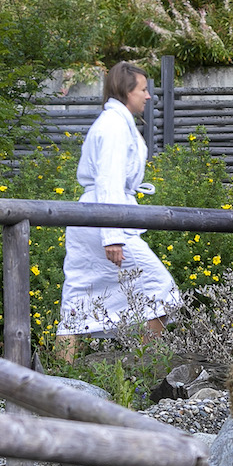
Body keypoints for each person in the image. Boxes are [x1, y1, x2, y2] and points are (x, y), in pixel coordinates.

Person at [55, 62, 182, 361]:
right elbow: (108, 179)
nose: (148, 96)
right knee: (159, 287)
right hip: (104, 219)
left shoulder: (115, 122)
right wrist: (112, 235)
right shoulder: (112, 125)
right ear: (127, 92)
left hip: (91, 218)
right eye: (143, 90)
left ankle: (62, 378)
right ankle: (144, 366)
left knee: (76, 304)